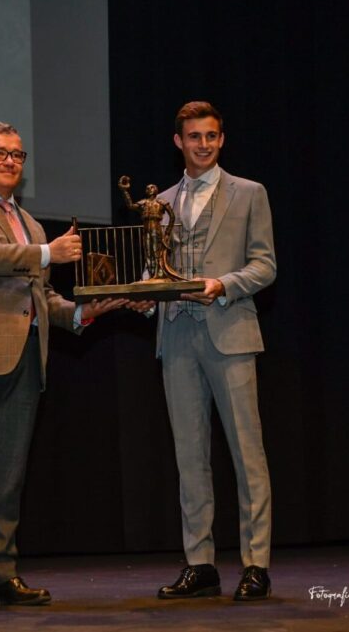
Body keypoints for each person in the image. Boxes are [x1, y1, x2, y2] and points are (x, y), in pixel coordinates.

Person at [0, 121, 123, 612]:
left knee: (8, 474)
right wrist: (47, 253)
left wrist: (83, 312)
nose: (11, 161)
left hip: (26, 359)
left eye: (18, 154)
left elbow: (41, 297)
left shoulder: (30, 223)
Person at [130, 101, 276, 601]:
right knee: (190, 456)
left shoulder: (249, 193)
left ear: (222, 139)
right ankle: (201, 563)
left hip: (229, 332)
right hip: (176, 336)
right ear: (179, 142)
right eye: (195, 137)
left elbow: (265, 266)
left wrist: (221, 283)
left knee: (246, 454)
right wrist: (143, 299)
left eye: (212, 136)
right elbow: (156, 270)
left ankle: (255, 563)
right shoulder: (161, 201)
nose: (204, 144)